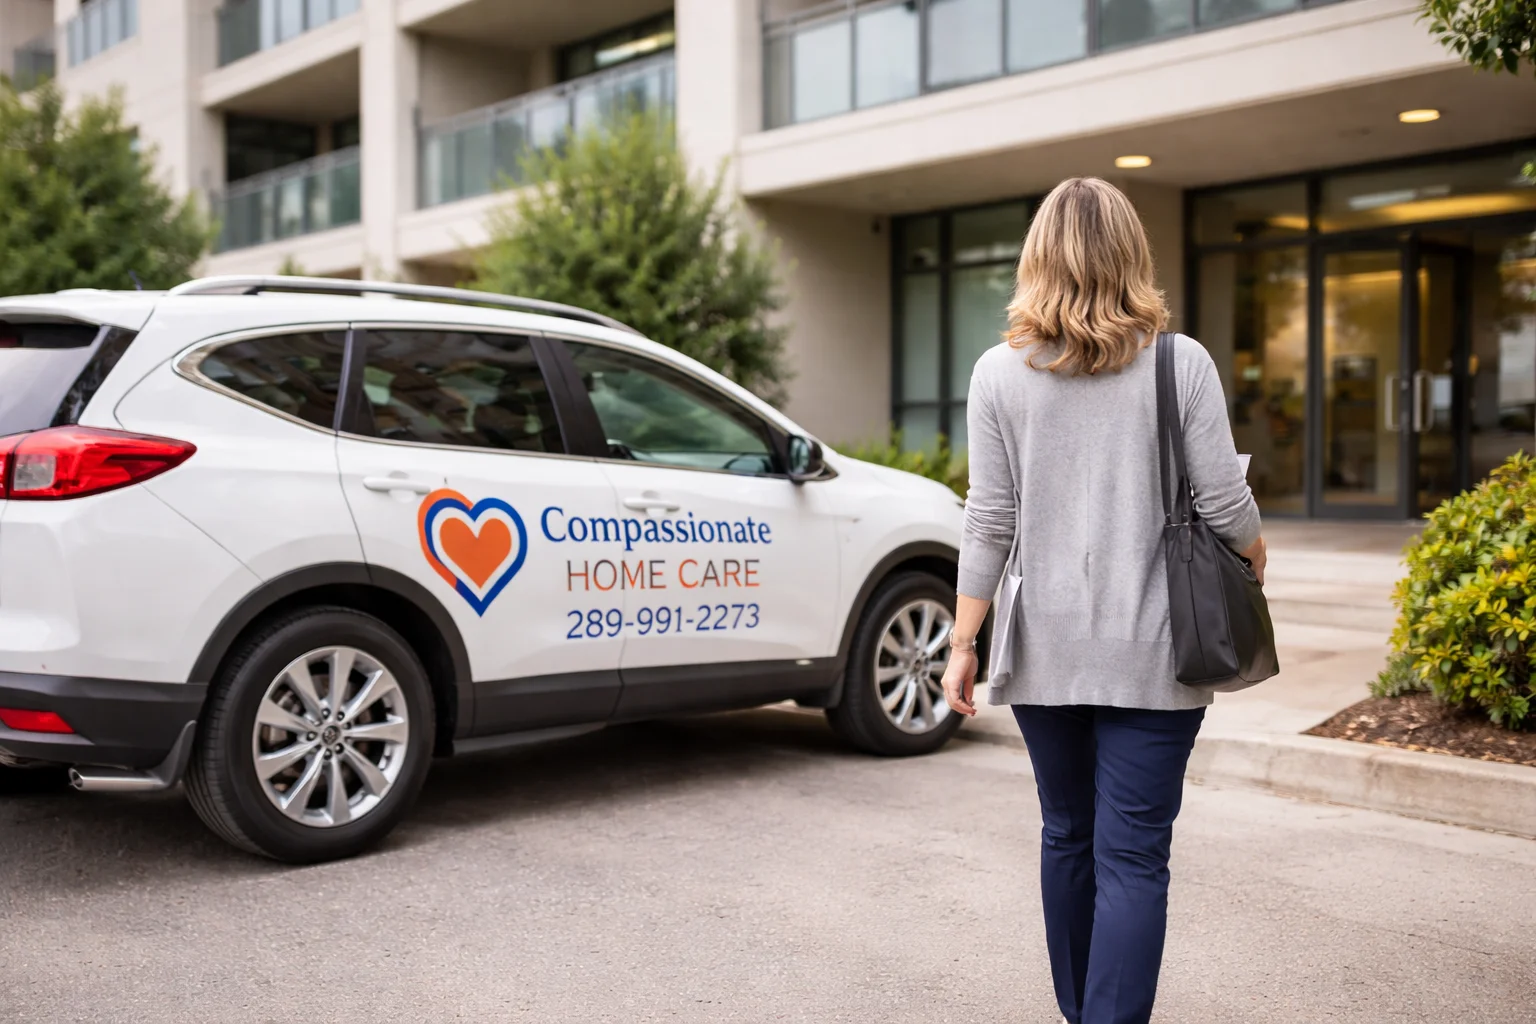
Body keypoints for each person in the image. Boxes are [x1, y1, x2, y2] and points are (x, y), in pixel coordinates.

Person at [939, 177, 1265, 1024]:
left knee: (1066, 837)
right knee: (1134, 859)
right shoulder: (1179, 363)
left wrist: (963, 642)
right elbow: (1227, 509)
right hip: (1157, 652)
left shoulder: (996, 375)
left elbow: (990, 519)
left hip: (1043, 649)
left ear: (1037, 257)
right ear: (1133, 256)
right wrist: (1257, 559)